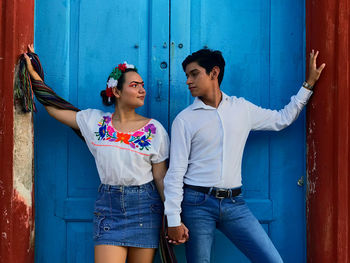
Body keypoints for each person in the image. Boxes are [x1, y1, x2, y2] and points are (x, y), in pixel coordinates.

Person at [164, 48, 325, 262]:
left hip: (234, 204)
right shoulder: (184, 120)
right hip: (197, 204)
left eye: (194, 74)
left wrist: (309, 85)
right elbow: (175, 172)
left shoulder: (241, 109)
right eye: (187, 76)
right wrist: (173, 219)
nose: (188, 81)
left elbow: (281, 119)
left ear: (214, 73)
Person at [24, 44, 170, 263]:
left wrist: (174, 217)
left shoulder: (155, 129)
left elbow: (160, 178)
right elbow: (54, 108)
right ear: (117, 92)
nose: (142, 90)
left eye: (142, 85)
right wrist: (34, 75)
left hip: (145, 208)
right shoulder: (95, 122)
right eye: (134, 85)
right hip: (109, 208)